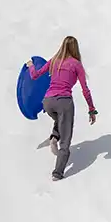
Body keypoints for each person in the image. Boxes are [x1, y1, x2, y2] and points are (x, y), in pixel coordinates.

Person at [27, 36, 98, 181]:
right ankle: (57, 173)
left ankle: (54, 136)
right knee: (65, 141)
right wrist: (91, 109)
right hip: (64, 101)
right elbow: (85, 90)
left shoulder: (54, 60)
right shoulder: (76, 64)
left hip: (47, 102)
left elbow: (35, 75)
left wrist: (30, 66)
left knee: (60, 119)